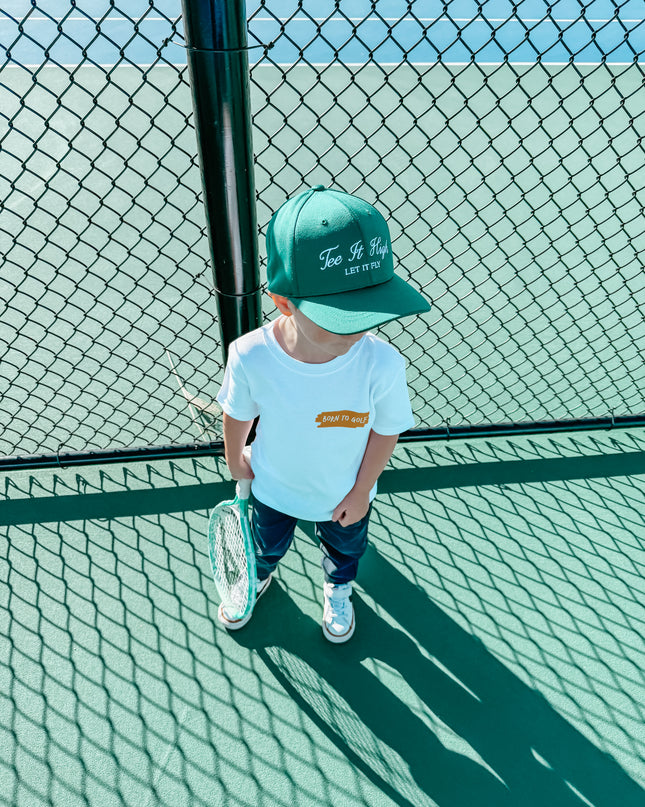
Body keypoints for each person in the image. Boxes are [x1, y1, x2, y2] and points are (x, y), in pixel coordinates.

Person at [216, 185, 430, 643]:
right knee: (266, 543)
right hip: (274, 488)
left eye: (370, 311)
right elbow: (236, 413)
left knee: (344, 551)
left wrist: (362, 489)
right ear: (283, 303)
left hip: (344, 497)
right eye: (340, 317)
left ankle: (338, 586)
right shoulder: (250, 355)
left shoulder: (383, 363)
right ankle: (259, 574)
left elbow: (386, 431)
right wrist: (236, 458)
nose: (360, 330)